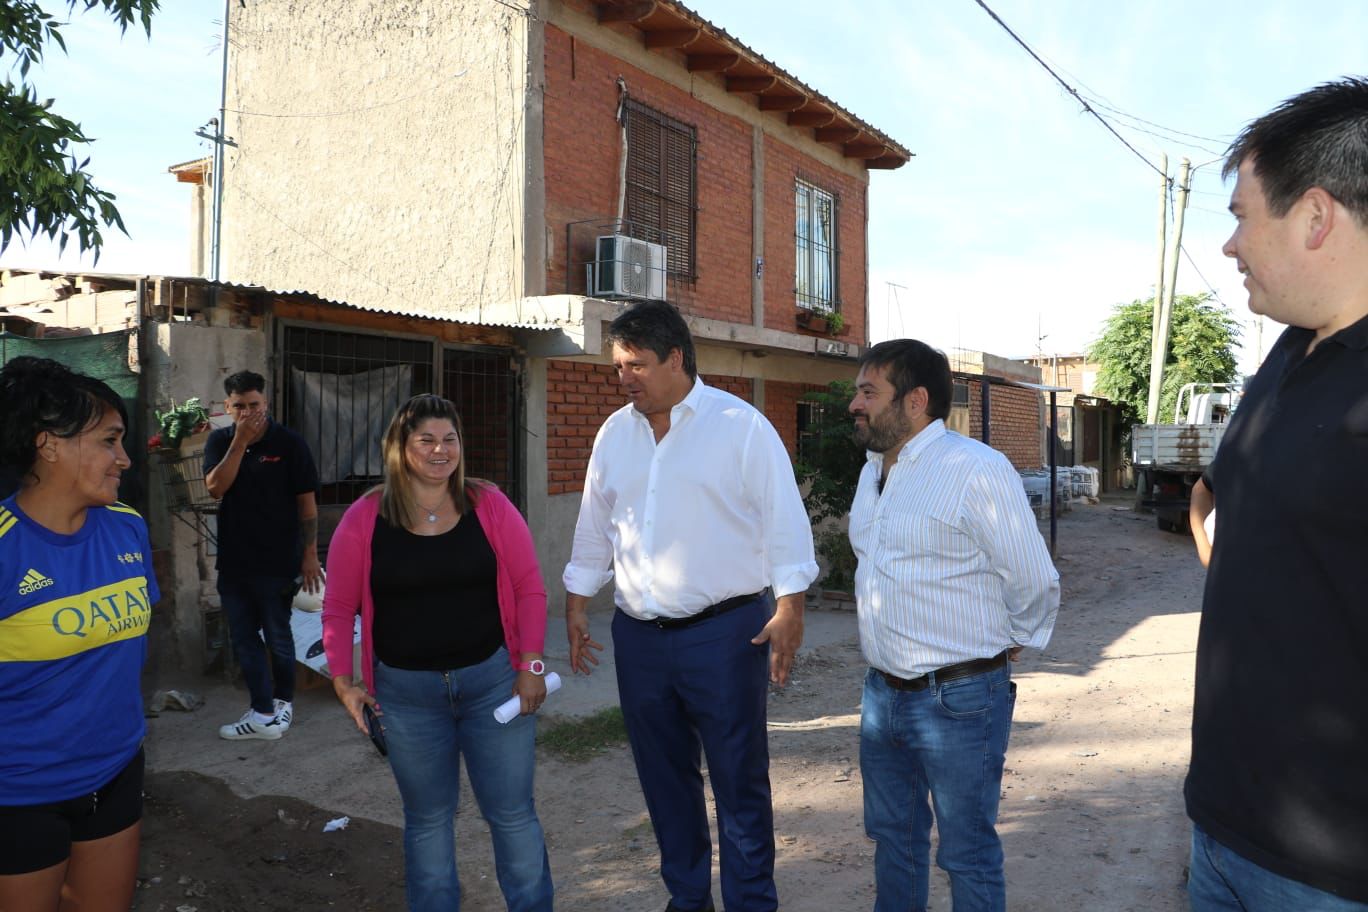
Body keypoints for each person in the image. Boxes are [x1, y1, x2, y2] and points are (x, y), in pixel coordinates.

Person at [563, 300, 818, 912]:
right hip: (639, 640)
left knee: (739, 782)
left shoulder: (741, 427)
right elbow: (596, 525)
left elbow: (785, 520)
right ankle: (687, 899)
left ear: (676, 358)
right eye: (618, 365)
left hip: (726, 635)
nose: (624, 378)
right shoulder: (613, 434)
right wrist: (576, 603)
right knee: (663, 780)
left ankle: (751, 902)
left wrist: (791, 606)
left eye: (636, 365)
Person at [1184, 78, 1368, 911]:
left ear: (1316, 216)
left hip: (1329, 876)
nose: (1229, 245)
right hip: (1218, 834)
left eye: (1240, 215)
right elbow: (1217, 491)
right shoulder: (1286, 355)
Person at [846, 339, 1059, 912]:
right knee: (893, 840)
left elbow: (1033, 576)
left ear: (915, 401)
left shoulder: (975, 469)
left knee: (965, 851)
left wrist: (1014, 637)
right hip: (881, 694)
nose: (855, 404)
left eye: (869, 392)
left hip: (960, 699)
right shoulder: (872, 472)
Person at [322, 394, 553, 912]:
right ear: (400, 448)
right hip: (406, 697)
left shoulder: (488, 504)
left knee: (512, 814)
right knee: (427, 821)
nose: (440, 449)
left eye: (449, 439)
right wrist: (343, 681)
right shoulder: (365, 518)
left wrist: (531, 665)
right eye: (425, 439)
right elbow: (337, 606)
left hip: (494, 684)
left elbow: (530, 587)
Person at [0, 356, 158, 912]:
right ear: (50, 446)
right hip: (18, 793)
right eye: (109, 441)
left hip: (115, 769)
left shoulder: (128, 526)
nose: (124, 458)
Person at [204, 369, 322, 740]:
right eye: (239, 406)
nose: (247, 412)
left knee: (277, 634)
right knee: (242, 637)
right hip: (235, 561)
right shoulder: (221, 441)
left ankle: (283, 703)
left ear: (266, 403)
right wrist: (239, 442)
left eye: (254, 404)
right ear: (228, 407)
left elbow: (308, 507)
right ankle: (261, 710)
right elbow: (215, 488)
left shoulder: (290, 443)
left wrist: (310, 555)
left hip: (279, 560)